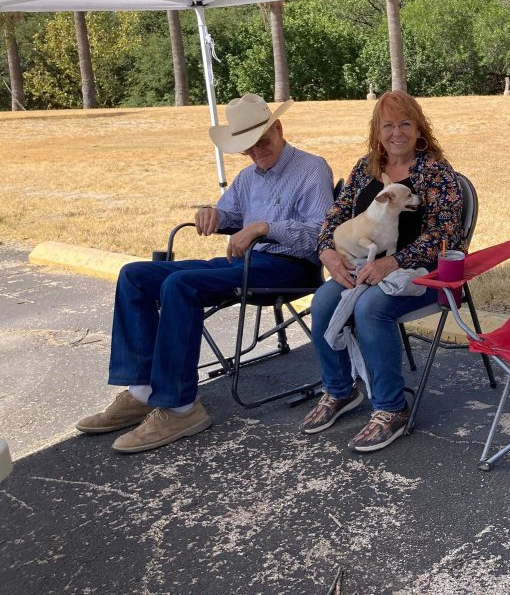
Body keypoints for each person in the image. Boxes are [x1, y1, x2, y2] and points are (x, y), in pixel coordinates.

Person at [76, 93, 334, 453]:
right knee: (134, 275)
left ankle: (180, 407)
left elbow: (319, 235)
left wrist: (263, 227)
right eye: (247, 147)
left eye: (262, 141)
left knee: (181, 284)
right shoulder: (248, 177)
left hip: (291, 267)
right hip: (245, 264)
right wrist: (212, 214)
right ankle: (142, 390)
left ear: (278, 128)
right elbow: (230, 215)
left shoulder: (311, 168)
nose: (256, 152)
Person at [300, 90, 463, 453]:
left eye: (405, 124)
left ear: (419, 129)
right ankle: (340, 390)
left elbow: (446, 233)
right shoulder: (366, 168)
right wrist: (328, 252)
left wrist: (394, 261)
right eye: (388, 125)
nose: (396, 133)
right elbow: (334, 216)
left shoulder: (435, 172)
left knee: (370, 307)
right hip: (364, 267)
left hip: (422, 273)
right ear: (377, 131)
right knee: (324, 300)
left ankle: (391, 408)